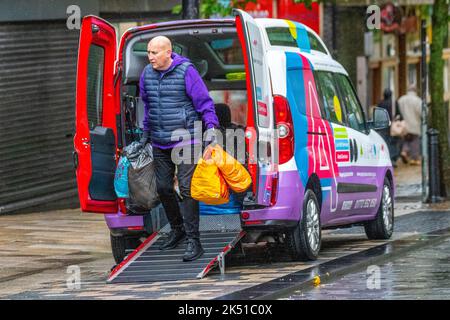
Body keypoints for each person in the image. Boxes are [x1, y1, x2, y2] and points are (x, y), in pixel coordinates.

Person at [139, 36, 219, 261]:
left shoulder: (186, 71)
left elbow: (205, 103)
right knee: (163, 188)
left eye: (155, 53)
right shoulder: (147, 74)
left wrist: (211, 130)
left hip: (187, 139)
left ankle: (195, 241)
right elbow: (148, 107)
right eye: (149, 52)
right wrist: (145, 134)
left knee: (187, 190)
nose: (150, 57)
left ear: (168, 52)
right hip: (159, 140)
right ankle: (178, 229)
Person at [397, 84, 422, 165]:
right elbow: (421, 112)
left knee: (406, 140)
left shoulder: (401, 99)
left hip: (404, 124)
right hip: (415, 124)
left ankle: (404, 152)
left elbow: (398, 111)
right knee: (415, 141)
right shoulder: (418, 100)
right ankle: (414, 159)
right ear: (415, 91)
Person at [377, 88, 401, 165]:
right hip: (392, 125)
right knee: (393, 142)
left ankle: (387, 157)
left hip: (383, 125)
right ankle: (393, 158)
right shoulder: (394, 103)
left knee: (385, 141)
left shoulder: (381, 103)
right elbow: (399, 113)